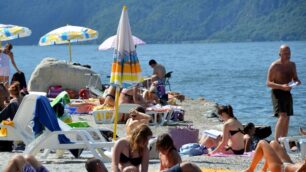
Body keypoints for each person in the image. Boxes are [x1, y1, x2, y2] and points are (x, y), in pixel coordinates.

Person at [267, 44, 301, 141]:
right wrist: (281, 86)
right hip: (277, 92)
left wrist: (297, 82)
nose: (288, 55)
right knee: (282, 116)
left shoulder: (292, 65)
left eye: (289, 53)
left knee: (287, 117)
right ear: (280, 54)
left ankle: (284, 141)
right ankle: (276, 141)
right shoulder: (275, 66)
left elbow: (295, 78)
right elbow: (268, 83)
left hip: (287, 92)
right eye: (285, 53)